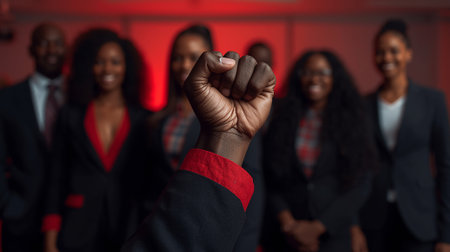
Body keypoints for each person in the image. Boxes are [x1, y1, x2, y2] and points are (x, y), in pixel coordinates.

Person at [122, 49, 276, 252]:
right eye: (178, 56)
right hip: (159, 226)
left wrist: (228, 132)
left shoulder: (230, 111)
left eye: (193, 57)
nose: (185, 65)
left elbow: (254, 188)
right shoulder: (156, 121)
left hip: (213, 228)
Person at [41, 28, 152, 252]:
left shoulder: (145, 119)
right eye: (99, 62)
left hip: (127, 229)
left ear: (127, 67)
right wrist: (50, 239)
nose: (107, 69)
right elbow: (56, 179)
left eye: (115, 62)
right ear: (89, 67)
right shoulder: (71, 114)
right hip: (77, 227)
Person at [351, 19, 450, 252]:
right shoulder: (363, 105)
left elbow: (446, 167)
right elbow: (355, 168)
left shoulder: (432, 101)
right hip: (374, 218)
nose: (387, 58)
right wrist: (354, 225)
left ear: (408, 54)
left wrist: (446, 235)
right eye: (380, 52)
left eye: (394, 51)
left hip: (420, 218)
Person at [263, 50, 375, 252]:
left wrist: (317, 228)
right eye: (307, 72)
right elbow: (270, 177)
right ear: (299, 77)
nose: (315, 78)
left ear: (335, 78)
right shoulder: (282, 118)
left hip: (334, 235)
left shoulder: (351, 121)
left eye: (323, 72)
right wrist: (289, 225)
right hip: (286, 236)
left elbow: (361, 183)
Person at [0, 22, 67, 252]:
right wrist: (8, 205)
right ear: (31, 50)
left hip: (69, 221)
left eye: (57, 43)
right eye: (43, 43)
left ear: (65, 49)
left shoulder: (80, 96)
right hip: (20, 220)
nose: (51, 50)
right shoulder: (7, 99)